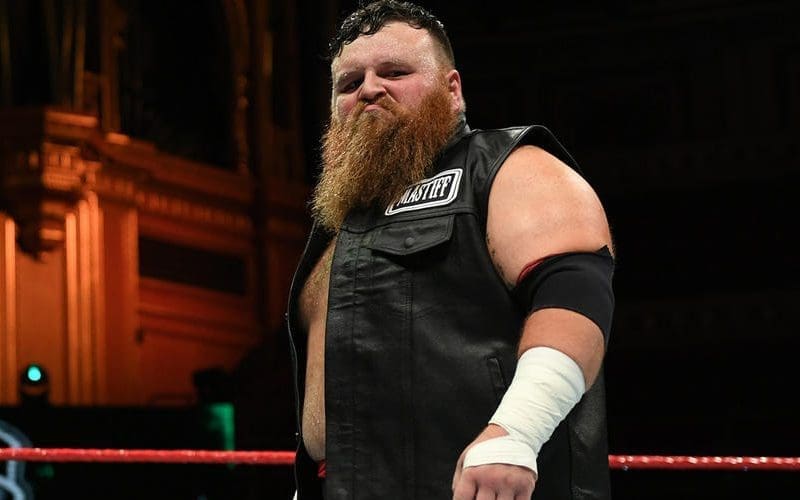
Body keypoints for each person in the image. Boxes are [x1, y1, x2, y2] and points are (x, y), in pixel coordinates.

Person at [286, 1, 615, 499]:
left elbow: (575, 296)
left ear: (452, 89)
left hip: (478, 487)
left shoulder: (507, 166)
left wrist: (517, 430)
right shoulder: (337, 225)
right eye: (349, 83)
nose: (370, 88)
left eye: (394, 72)